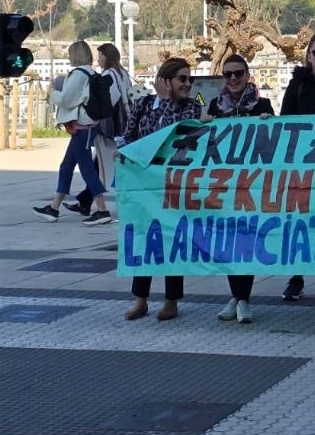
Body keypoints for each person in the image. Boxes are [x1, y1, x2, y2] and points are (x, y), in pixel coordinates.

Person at [120, 57, 202, 322]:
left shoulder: (190, 107)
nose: (188, 84)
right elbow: (129, 137)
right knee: (143, 236)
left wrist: (168, 101)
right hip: (144, 184)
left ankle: (171, 299)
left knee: (170, 236)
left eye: (189, 79)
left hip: (172, 184)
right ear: (166, 81)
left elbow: (178, 135)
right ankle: (140, 298)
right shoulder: (142, 104)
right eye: (182, 79)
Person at [209, 54, 274, 325]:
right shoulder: (214, 104)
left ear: (248, 75)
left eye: (238, 73)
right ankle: (236, 297)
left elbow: (276, 139)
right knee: (228, 241)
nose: (233, 78)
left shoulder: (263, 103)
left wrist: (268, 121)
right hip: (224, 182)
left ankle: (243, 299)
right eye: (228, 74)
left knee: (245, 240)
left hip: (252, 183)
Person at [277, 33, 315, 302]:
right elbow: (284, 121)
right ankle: (296, 276)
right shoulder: (296, 85)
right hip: (302, 168)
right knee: (299, 221)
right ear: (309, 56)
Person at [32, 41, 112, 224]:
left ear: (75, 55)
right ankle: (54, 207)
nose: (68, 57)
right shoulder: (91, 72)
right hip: (87, 126)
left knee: (86, 169)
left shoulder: (78, 74)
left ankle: (102, 209)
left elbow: (67, 100)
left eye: (70, 53)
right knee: (66, 166)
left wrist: (53, 94)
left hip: (81, 128)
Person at [66, 43, 131, 224]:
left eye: (100, 56)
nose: (97, 59)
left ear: (107, 57)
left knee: (102, 165)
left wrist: (96, 107)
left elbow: (110, 99)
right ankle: (85, 201)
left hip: (108, 127)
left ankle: (99, 206)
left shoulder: (109, 75)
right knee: (97, 164)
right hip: (121, 124)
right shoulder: (123, 73)